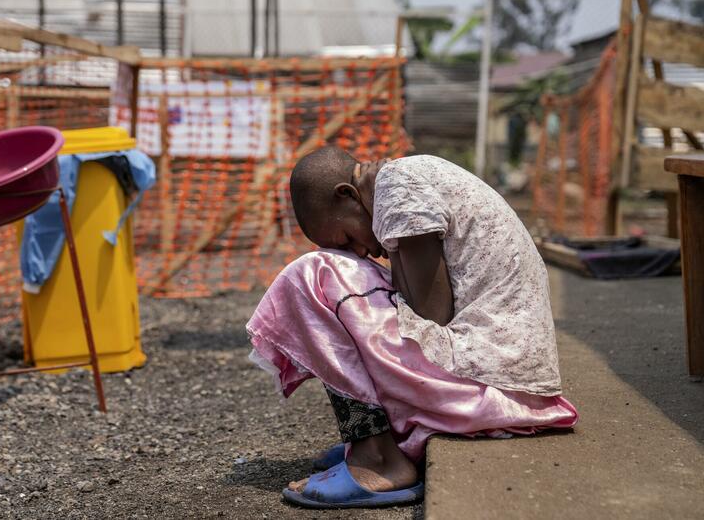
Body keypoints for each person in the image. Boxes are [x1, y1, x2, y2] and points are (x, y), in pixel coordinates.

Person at [246, 147, 578, 510]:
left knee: (311, 277)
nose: (359, 251)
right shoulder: (399, 183)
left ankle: (379, 460)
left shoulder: (397, 187)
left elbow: (430, 315)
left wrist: (390, 246)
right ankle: (371, 442)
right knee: (343, 283)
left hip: (493, 382)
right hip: (504, 376)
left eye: (346, 238)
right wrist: (392, 245)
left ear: (348, 194)